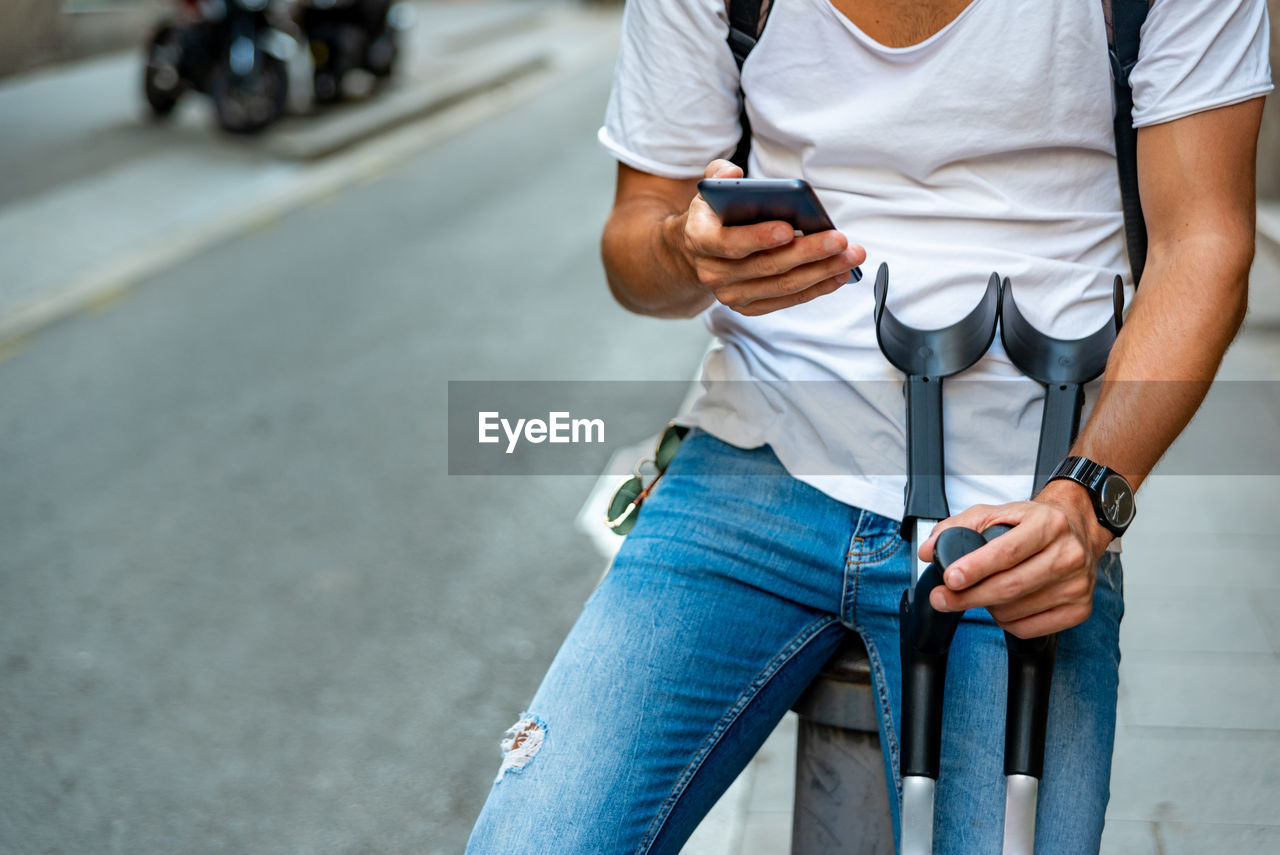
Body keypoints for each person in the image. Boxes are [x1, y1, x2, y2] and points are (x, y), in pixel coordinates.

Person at [467, 1, 1272, 852]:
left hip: (1016, 507)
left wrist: (1089, 499)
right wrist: (687, 249)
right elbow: (636, 245)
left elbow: (1205, 241)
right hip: (756, 456)